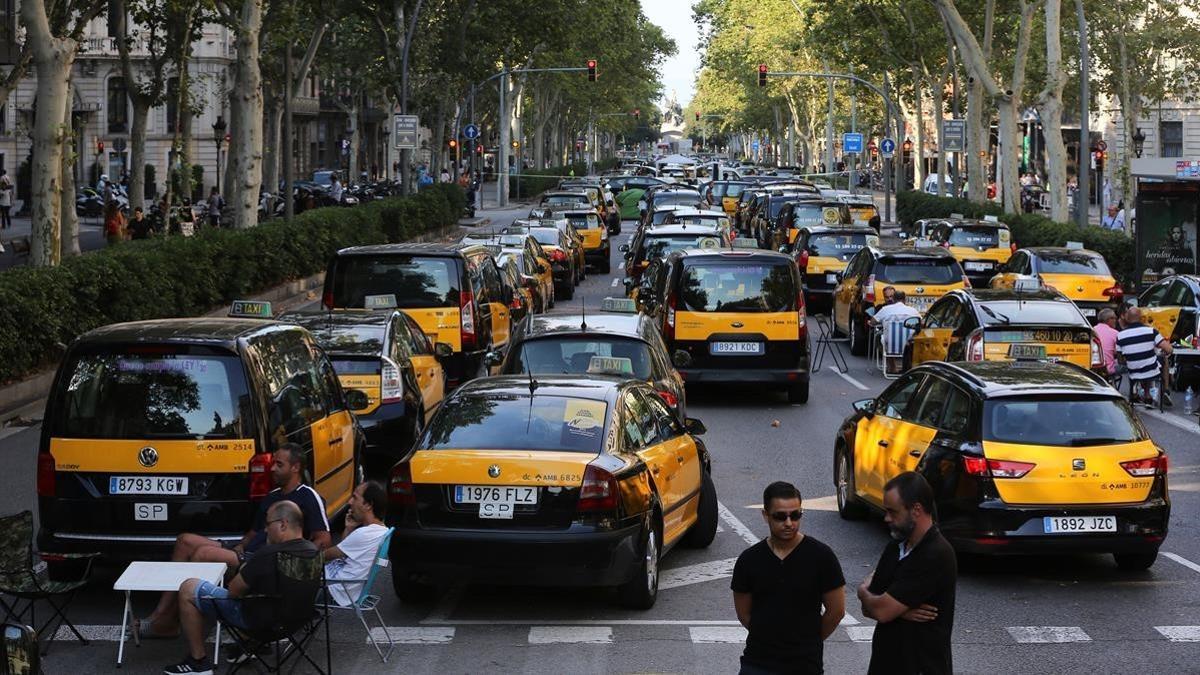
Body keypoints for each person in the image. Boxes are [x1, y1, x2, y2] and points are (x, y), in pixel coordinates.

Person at [137, 443, 330, 638]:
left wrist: (294, 562)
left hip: (265, 560)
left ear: (295, 467)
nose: (272, 469)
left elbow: (323, 539)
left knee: (203, 554)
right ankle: (161, 616)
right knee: (185, 541)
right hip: (246, 551)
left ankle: (181, 616)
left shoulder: (308, 496)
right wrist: (240, 545)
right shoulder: (272, 497)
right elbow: (254, 532)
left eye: (279, 464)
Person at [163, 500, 318, 675]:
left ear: (282, 525)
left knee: (188, 588)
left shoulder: (269, 554)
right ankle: (246, 646)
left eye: (267, 524)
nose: (265, 530)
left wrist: (243, 571)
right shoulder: (314, 551)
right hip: (295, 624)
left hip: (261, 625)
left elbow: (233, 592)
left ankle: (198, 662)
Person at [731, 482, 844, 675]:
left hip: (805, 666)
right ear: (765, 515)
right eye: (780, 516)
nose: (789, 522)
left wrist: (807, 642)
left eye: (796, 515)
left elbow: (836, 611)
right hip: (757, 664)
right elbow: (744, 614)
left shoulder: (821, 556)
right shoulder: (749, 560)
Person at [858, 472, 957, 675]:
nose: (886, 518)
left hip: (920, 666)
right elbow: (868, 610)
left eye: (893, 512)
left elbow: (881, 611)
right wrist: (901, 610)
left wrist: (864, 591)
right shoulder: (895, 547)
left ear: (916, 510)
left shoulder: (935, 554)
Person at [323, 481, 389, 607]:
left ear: (368, 505)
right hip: (338, 586)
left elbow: (324, 556)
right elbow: (344, 553)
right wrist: (348, 529)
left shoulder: (364, 534)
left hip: (332, 590)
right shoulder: (380, 531)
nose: (350, 502)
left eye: (355, 497)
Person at [1117, 306, 1173, 406]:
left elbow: (1120, 360)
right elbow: (1169, 349)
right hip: (1151, 371)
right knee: (1162, 359)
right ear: (1141, 318)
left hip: (1133, 372)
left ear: (1128, 319)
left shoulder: (1120, 335)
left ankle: (1143, 395)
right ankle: (1165, 390)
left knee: (1142, 362)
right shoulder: (1151, 331)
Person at [1094, 308, 1120, 376]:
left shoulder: (1092, 330)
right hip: (1108, 369)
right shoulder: (1115, 333)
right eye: (1115, 318)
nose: (1116, 321)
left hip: (1093, 369)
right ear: (1109, 319)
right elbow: (1118, 351)